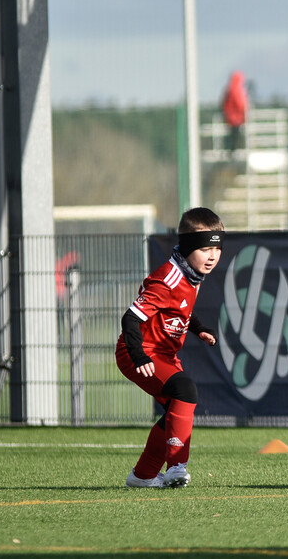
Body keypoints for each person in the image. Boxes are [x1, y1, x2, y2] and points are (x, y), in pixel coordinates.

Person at [116, 207, 224, 489]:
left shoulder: (192, 274)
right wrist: (138, 354)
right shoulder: (169, 278)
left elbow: (181, 309)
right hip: (138, 351)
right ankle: (177, 466)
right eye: (204, 249)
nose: (212, 256)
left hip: (163, 354)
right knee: (185, 389)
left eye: (216, 249)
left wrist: (198, 327)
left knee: (176, 411)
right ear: (188, 248)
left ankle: (143, 476)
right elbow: (131, 317)